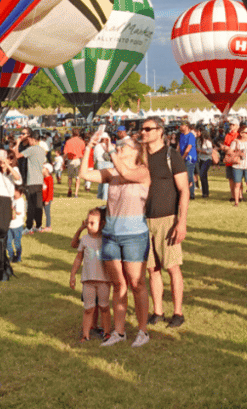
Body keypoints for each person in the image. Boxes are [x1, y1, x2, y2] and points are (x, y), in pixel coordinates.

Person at [79, 131, 151, 347]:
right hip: (111, 235)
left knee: (136, 284)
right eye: (118, 144)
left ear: (137, 151)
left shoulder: (143, 172)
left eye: (124, 145)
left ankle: (142, 331)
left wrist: (110, 149)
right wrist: (89, 146)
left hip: (134, 236)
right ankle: (119, 332)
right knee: (119, 285)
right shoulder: (112, 172)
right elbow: (84, 174)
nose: (119, 146)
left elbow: (126, 173)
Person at [131, 119, 189, 329]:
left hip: (167, 219)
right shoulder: (141, 157)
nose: (143, 132)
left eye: (148, 129)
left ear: (160, 131)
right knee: (152, 269)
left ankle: (178, 312)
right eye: (142, 129)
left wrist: (181, 222)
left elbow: (184, 190)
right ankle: (158, 311)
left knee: (172, 267)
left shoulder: (171, 155)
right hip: (143, 220)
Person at [69, 207, 111, 343]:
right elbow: (78, 258)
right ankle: (85, 335)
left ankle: (107, 333)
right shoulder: (85, 240)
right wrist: (72, 275)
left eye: (92, 223)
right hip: (88, 281)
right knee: (88, 308)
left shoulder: (106, 239)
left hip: (103, 281)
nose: (89, 225)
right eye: (88, 222)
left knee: (104, 307)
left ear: (102, 224)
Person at [63, 129, 85, 197]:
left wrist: (64, 162)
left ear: (72, 134)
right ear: (78, 134)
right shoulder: (82, 142)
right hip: (78, 159)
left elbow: (65, 153)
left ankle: (69, 189)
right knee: (77, 178)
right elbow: (83, 152)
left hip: (70, 160)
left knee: (70, 177)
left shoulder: (68, 141)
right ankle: (76, 193)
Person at [178, 122, 198, 200]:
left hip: (190, 158)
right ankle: (185, 192)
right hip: (183, 157)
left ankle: (191, 194)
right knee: (183, 175)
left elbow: (188, 148)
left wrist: (182, 157)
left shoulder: (191, 135)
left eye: (182, 125)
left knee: (189, 175)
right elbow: (179, 146)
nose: (180, 126)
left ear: (186, 126)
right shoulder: (181, 135)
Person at [6, 187, 26, 263]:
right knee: (8, 242)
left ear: (21, 193)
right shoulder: (11, 199)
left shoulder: (20, 201)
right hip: (9, 225)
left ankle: (18, 257)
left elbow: (17, 213)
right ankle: (11, 256)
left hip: (17, 225)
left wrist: (10, 209)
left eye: (16, 192)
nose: (14, 193)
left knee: (17, 243)